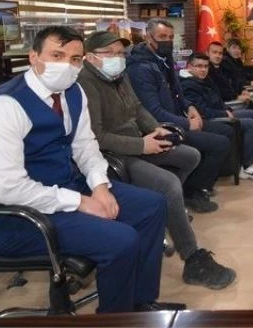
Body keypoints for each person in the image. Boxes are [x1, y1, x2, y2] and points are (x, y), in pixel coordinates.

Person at [0, 26, 178, 313]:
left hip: (67, 189)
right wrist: (81, 202)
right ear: (33, 56)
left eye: (75, 59)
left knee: (152, 206)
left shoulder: (73, 92)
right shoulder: (3, 107)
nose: (67, 65)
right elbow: (6, 189)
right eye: (57, 55)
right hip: (21, 217)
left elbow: (85, 146)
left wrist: (100, 188)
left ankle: (139, 303)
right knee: (122, 240)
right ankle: (115, 319)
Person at [78, 31, 235, 288]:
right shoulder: (86, 83)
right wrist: (142, 145)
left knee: (190, 156)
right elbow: (97, 137)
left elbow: (138, 108)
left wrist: (155, 129)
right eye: (110, 53)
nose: (118, 58)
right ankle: (192, 258)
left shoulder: (119, 75)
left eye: (120, 53)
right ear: (91, 57)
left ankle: (163, 212)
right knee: (169, 184)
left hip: (139, 140)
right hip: (114, 156)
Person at [126, 19, 231, 198]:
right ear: (148, 37)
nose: (167, 41)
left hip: (178, 116)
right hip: (162, 126)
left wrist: (189, 106)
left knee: (226, 130)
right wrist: (187, 124)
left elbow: (176, 90)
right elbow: (153, 111)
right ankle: (193, 191)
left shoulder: (164, 58)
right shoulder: (141, 68)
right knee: (219, 144)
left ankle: (205, 181)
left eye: (170, 37)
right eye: (162, 37)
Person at [180, 53, 253, 181]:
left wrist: (226, 109)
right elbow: (201, 111)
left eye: (206, 66)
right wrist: (224, 113)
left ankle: (251, 154)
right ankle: (248, 167)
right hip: (209, 120)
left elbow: (217, 99)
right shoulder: (187, 85)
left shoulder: (204, 80)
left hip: (221, 111)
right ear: (189, 67)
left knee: (251, 114)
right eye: (199, 66)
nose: (203, 69)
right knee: (249, 123)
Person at [207, 41, 253, 147]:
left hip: (234, 96)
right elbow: (221, 92)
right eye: (214, 52)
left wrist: (241, 90)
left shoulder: (220, 67)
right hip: (228, 103)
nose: (218, 56)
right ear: (208, 53)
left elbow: (233, 82)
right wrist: (237, 95)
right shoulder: (212, 70)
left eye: (219, 53)